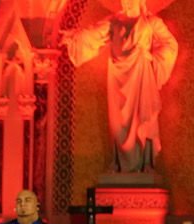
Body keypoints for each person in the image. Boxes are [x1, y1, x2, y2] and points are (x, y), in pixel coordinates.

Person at [60, 0, 178, 172]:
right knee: (118, 125)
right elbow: (93, 33)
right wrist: (74, 37)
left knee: (144, 118)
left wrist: (152, 58)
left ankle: (145, 164)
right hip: (118, 78)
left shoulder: (152, 22)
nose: (127, 3)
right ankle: (121, 165)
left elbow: (170, 45)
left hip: (141, 76)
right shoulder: (114, 20)